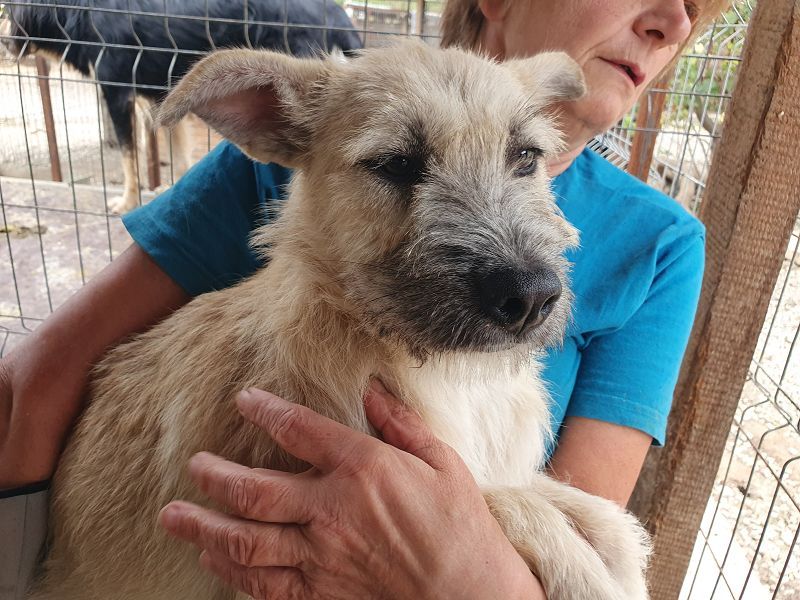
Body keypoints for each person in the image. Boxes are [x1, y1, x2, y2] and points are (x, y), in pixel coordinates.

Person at [0, 0, 730, 597]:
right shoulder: (280, 190)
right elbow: (39, 372)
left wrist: (490, 544)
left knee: (605, 538)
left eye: (523, 157)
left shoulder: (663, 246)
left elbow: (481, 535)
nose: (675, 18)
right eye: (399, 166)